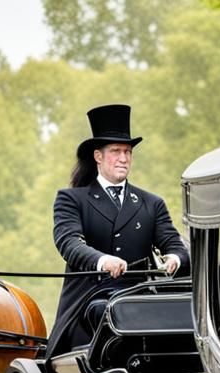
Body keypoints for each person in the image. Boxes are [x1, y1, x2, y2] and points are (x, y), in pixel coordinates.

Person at [46, 104, 189, 359]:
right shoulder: (71, 199)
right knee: (113, 313)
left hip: (139, 298)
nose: (123, 158)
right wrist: (103, 261)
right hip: (89, 301)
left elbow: (175, 245)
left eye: (128, 152)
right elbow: (69, 243)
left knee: (181, 315)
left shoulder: (151, 203)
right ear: (98, 156)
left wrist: (175, 259)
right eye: (115, 151)